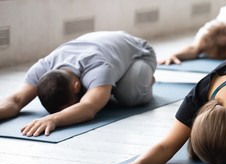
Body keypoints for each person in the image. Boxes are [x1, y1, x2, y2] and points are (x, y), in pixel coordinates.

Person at [0, 31, 157, 136]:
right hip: (104, 45)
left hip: (139, 52)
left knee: (127, 95)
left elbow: (88, 109)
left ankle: (146, 80)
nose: (73, 108)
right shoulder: (42, 67)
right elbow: (16, 100)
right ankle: (104, 89)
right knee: (103, 95)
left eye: (72, 105)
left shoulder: (98, 67)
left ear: (76, 86)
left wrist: (53, 119)